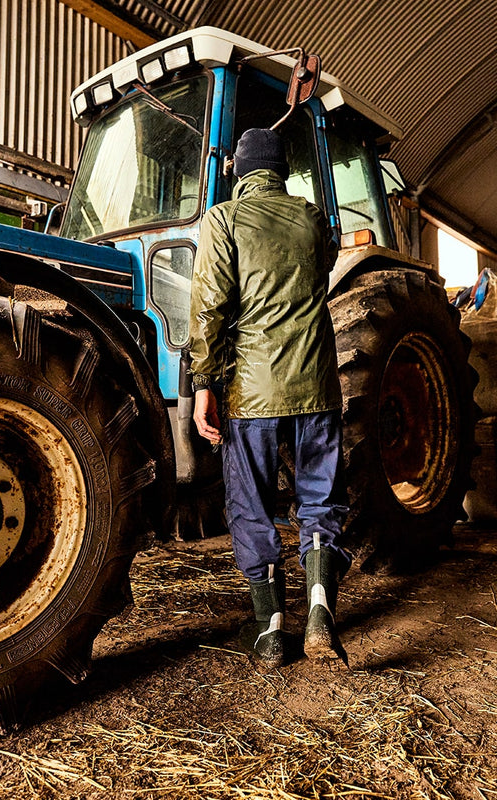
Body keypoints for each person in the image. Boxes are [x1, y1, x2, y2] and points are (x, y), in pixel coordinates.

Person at [189, 127, 351, 668]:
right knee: (320, 499)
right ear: (283, 170)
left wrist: (202, 384)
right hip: (317, 387)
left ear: (238, 170)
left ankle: (270, 631)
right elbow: (321, 272)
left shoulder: (224, 219)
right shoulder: (311, 218)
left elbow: (211, 306)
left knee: (252, 505)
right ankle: (322, 615)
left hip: (252, 392)